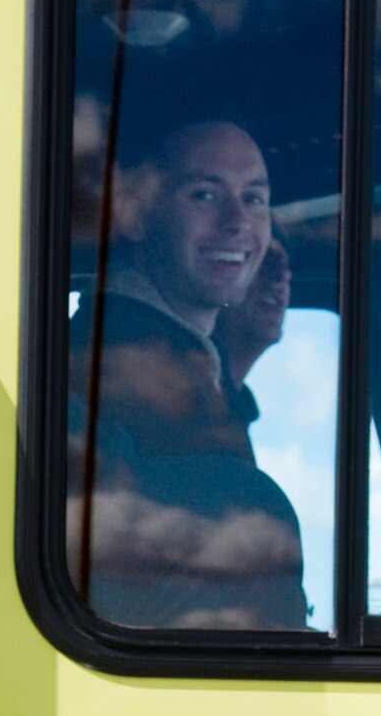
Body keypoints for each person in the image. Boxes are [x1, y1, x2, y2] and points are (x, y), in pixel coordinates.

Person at [67, 121, 307, 631]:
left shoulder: (182, 356)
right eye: (204, 194)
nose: (237, 221)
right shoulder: (130, 363)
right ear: (134, 214)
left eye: (254, 199)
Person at [215, 232, 292, 401]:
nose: (282, 277)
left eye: (286, 269)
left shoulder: (230, 410)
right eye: (264, 263)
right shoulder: (170, 388)